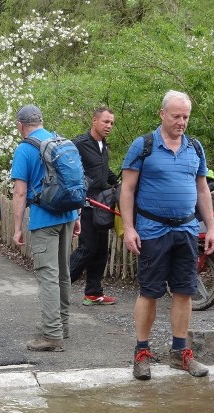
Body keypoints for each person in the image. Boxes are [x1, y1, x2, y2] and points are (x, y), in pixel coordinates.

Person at [120, 90, 214, 380]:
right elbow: (126, 189)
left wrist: (210, 227)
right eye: (176, 116)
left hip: (186, 230)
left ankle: (180, 353)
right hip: (152, 230)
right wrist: (129, 228)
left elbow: (203, 190)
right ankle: (141, 353)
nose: (181, 122)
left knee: (184, 291)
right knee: (149, 291)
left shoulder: (195, 148)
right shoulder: (143, 146)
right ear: (162, 114)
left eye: (185, 116)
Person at [10, 105, 79, 351]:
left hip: (44, 219)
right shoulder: (58, 141)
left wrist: (17, 228)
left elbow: (20, 192)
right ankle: (62, 325)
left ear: (21, 125)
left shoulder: (25, 149)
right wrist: (77, 215)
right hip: (68, 214)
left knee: (47, 275)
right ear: (41, 121)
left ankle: (52, 336)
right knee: (63, 273)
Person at [70, 107, 119, 305]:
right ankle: (57, 286)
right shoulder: (79, 144)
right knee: (87, 248)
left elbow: (103, 171)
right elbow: (68, 167)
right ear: (94, 121)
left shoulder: (103, 145)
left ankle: (93, 292)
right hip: (86, 204)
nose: (109, 126)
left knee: (101, 250)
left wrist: (117, 182)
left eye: (112, 123)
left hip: (102, 204)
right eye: (106, 122)